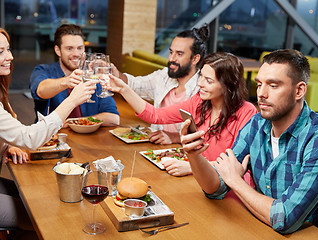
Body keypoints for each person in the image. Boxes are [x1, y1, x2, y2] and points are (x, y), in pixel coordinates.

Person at [179, 49, 318, 239]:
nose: (261, 93)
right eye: (259, 84)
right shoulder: (257, 123)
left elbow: (285, 218)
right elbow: (215, 187)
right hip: (264, 230)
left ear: (299, 90)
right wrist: (194, 155)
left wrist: (235, 181)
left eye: (273, 85)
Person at [0, 27, 97, 236]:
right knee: (47, 216)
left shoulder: (1, 89)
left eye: (8, 49)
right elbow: (30, 138)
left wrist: (8, 144)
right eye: (1, 52)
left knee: (37, 197)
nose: (10, 56)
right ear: (57, 50)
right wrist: (72, 100)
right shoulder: (45, 71)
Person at [108, 52, 257, 177]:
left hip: (224, 187)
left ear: (228, 85)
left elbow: (235, 164)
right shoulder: (199, 101)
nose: (200, 84)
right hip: (198, 180)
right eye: (201, 77)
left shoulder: (247, 112)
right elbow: (156, 115)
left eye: (208, 80)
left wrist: (191, 168)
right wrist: (124, 90)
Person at [113, 24, 210, 144]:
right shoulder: (163, 76)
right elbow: (136, 85)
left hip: (185, 155)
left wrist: (175, 137)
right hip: (155, 148)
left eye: (179, 54)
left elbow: (207, 135)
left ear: (195, 59)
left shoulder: (203, 88)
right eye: (171, 52)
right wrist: (116, 74)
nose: (171, 59)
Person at [30, 24, 119, 126]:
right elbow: (41, 91)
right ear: (57, 50)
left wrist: (74, 123)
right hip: (54, 139)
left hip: (86, 139)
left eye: (80, 48)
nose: (76, 53)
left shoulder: (92, 77)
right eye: (69, 48)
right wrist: (67, 81)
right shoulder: (43, 70)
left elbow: (113, 118)